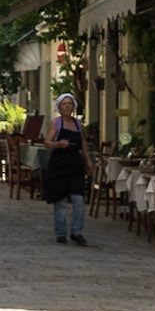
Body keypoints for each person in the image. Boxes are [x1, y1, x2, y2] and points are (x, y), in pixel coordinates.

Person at [45, 92, 91, 245]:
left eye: (69, 104)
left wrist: (88, 161)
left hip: (75, 163)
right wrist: (58, 144)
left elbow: (83, 143)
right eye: (64, 104)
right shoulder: (55, 123)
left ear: (73, 106)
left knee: (78, 198)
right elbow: (47, 142)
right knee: (60, 200)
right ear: (59, 106)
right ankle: (60, 232)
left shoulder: (78, 123)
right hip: (59, 163)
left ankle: (77, 231)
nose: (67, 106)